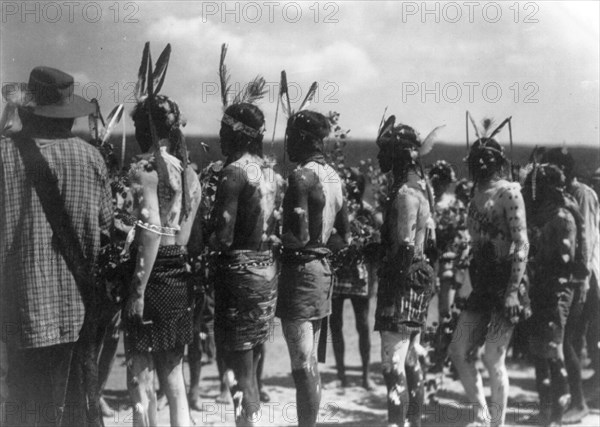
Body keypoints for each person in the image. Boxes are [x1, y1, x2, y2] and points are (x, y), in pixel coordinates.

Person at [0, 66, 112, 426]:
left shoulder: (4, 156)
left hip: (19, 307)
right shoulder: (91, 158)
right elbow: (105, 232)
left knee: (22, 405)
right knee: (72, 408)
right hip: (76, 308)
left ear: (28, 110)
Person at [123, 43, 202, 427]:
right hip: (177, 273)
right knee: (174, 376)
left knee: (140, 375)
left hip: (151, 273)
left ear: (146, 128)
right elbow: (180, 234)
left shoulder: (144, 170)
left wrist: (137, 290)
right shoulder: (190, 172)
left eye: (138, 126)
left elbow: (151, 230)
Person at [448, 125, 530, 427]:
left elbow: (521, 242)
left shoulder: (509, 192)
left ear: (499, 161)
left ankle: (498, 423)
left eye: (488, 158)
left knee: (493, 357)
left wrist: (512, 291)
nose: (482, 164)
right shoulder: (476, 193)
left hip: (506, 280)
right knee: (458, 350)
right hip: (481, 281)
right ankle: (482, 416)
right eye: (477, 158)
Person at [276, 109, 349, 427]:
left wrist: (271, 232)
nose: (286, 143)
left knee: (302, 363)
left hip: (300, 272)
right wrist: (320, 245)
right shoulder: (334, 177)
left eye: (291, 137)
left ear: (304, 139)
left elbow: (298, 236)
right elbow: (344, 237)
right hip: (321, 270)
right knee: (308, 362)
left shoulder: (301, 177)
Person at [210, 95, 280, 425]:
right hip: (266, 272)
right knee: (249, 366)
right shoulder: (268, 172)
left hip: (238, 275)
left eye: (224, 131)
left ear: (237, 134)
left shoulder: (234, 175)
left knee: (240, 372)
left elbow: (223, 237)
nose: (219, 138)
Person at [374, 116, 436, 427]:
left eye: (384, 151)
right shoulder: (422, 188)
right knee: (411, 357)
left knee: (392, 362)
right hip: (419, 277)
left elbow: (406, 246)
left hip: (403, 279)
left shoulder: (405, 195)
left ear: (398, 155)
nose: (379, 158)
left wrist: (390, 277)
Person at [542, 147, 599, 423]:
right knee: (572, 339)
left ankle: (578, 401)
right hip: (581, 278)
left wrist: (584, 279)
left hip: (584, 278)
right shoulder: (566, 197)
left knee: (572, 340)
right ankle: (573, 399)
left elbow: (586, 240)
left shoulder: (581, 195)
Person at [523, 163, 582, 426]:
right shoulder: (548, 215)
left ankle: (556, 415)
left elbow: (564, 258)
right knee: (540, 350)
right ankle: (546, 411)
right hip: (544, 287)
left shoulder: (561, 216)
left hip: (557, 289)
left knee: (553, 350)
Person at [330, 167, 377, 390]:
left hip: (359, 273)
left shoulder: (367, 212)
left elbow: (374, 250)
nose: (352, 189)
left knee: (362, 325)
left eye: (355, 185)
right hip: (339, 271)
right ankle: (341, 375)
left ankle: (366, 374)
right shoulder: (337, 210)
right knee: (336, 324)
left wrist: (374, 281)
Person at [428, 161, 469, 372]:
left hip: (448, 261)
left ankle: (443, 353)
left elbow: (463, 233)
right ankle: (430, 350)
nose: (441, 186)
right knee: (423, 308)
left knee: (446, 309)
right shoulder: (426, 201)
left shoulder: (455, 205)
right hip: (429, 259)